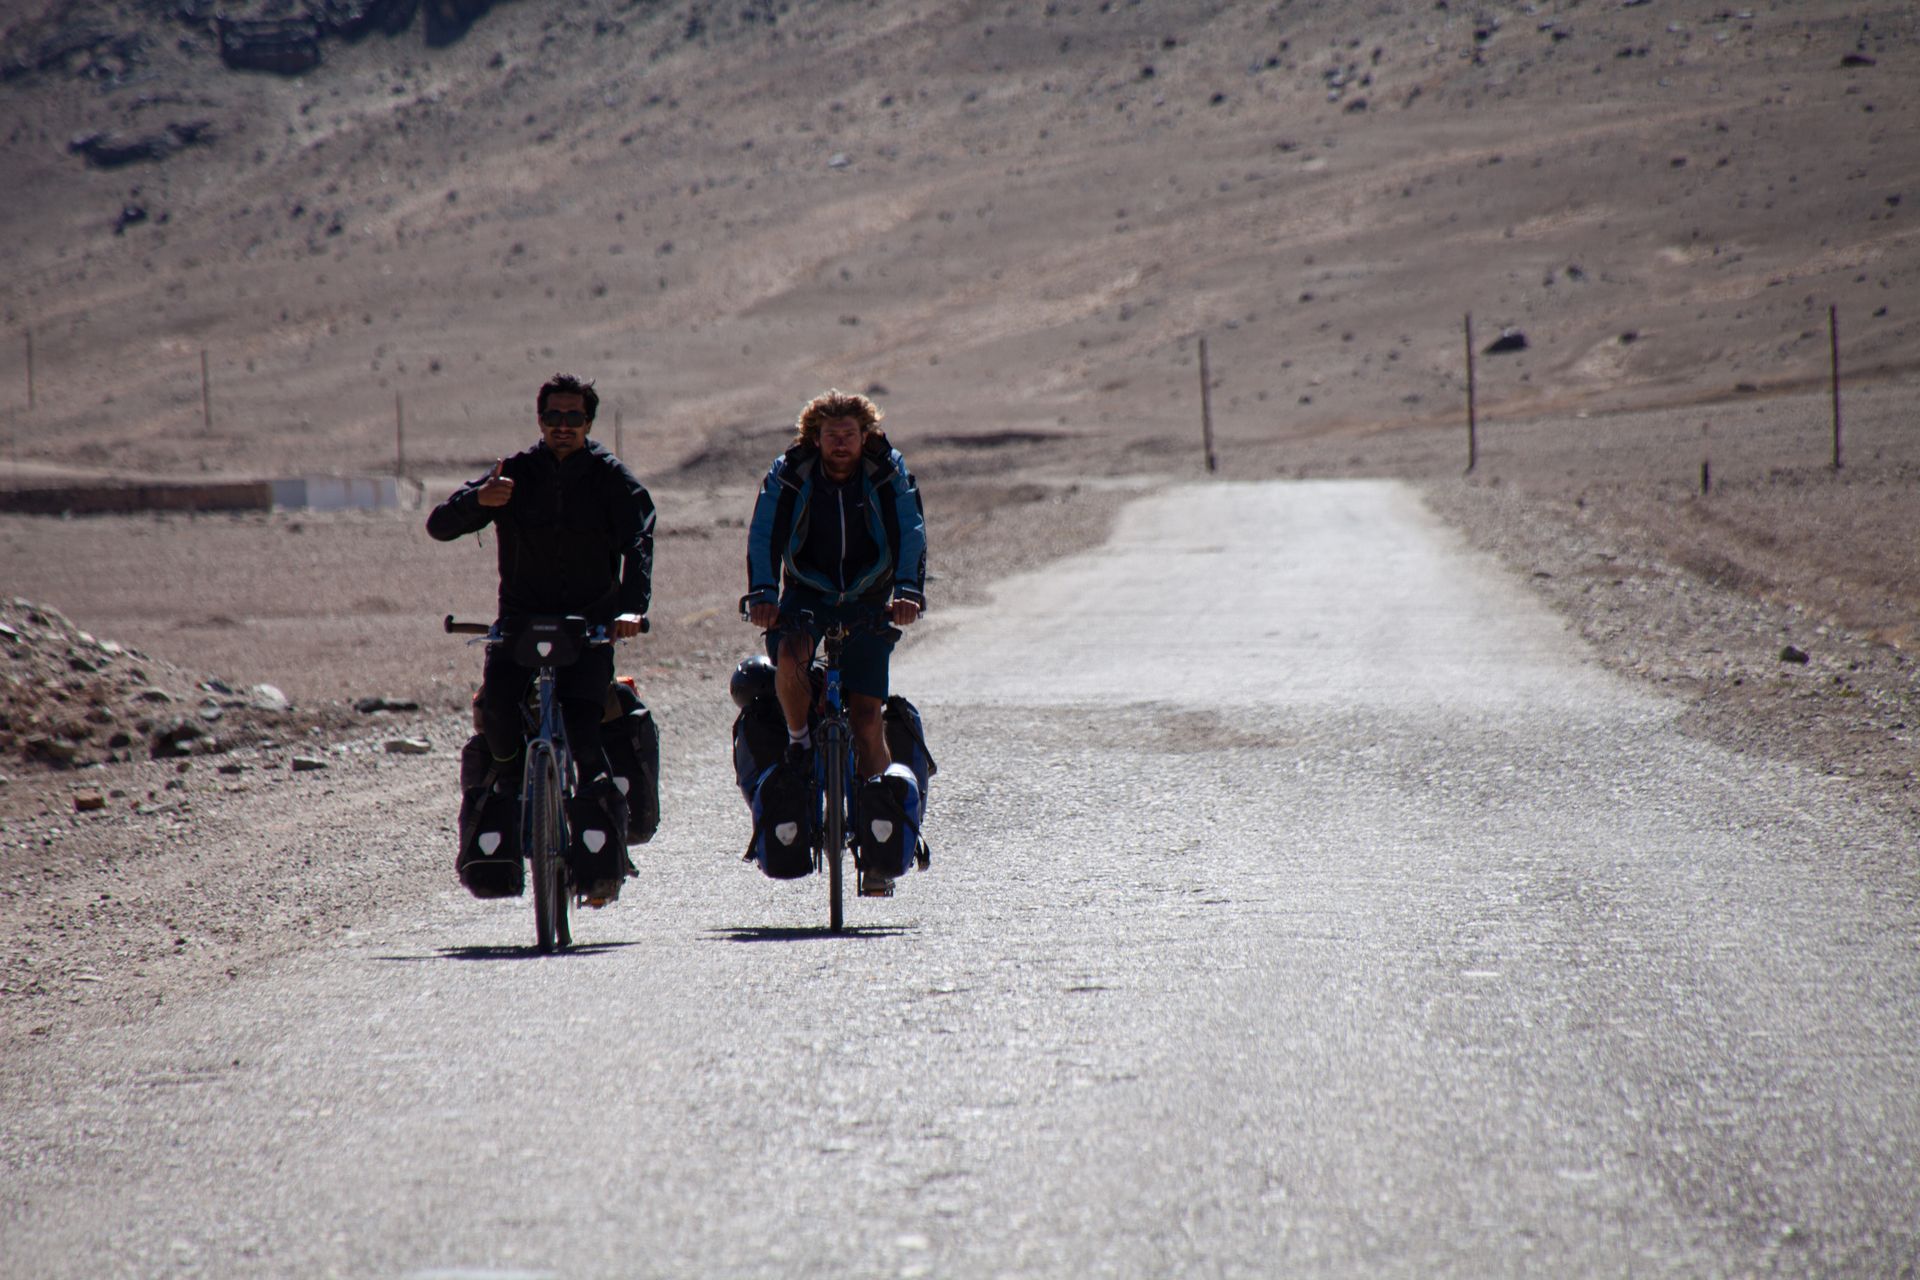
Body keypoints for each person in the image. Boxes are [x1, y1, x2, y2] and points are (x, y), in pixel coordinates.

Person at [428, 373, 655, 903]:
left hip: (589, 628)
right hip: (520, 623)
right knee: (499, 710)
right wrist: (479, 501)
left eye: (574, 417)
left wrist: (631, 609)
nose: (562, 426)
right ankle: (509, 788)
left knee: (583, 729)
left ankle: (603, 861)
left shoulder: (611, 479)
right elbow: (440, 525)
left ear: (589, 422)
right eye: (553, 416)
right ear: (540, 420)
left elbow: (639, 542)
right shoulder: (514, 473)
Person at [745, 389, 926, 890]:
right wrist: (762, 592)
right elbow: (765, 534)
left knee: (868, 718)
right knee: (790, 655)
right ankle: (801, 742)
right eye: (831, 435)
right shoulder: (792, 473)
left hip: (871, 596)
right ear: (815, 437)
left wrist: (908, 592)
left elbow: (910, 531)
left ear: (864, 435)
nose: (841, 444)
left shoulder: (887, 473)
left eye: (850, 434)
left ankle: (878, 847)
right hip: (807, 592)